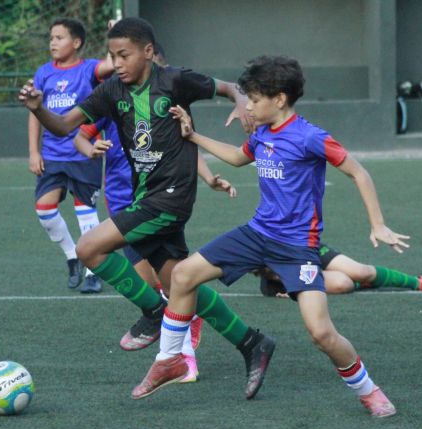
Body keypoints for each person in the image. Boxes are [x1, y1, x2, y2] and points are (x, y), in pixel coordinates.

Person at [133, 55, 409, 418]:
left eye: (255, 99)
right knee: (184, 275)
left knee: (321, 334)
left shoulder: (311, 137)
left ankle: (369, 391)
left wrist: (377, 224)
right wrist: (193, 135)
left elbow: (359, 173)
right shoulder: (261, 133)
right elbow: (236, 157)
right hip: (257, 234)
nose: (248, 105)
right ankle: (170, 360)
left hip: (297, 249)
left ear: (279, 99)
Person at [19, 17, 256, 382]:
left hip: (169, 200)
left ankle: (155, 313)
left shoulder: (175, 81)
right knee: (181, 281)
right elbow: (66, 126)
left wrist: (241, 103)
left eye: (124, 55)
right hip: (144, 195)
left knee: (88, 248)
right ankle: (252, 342)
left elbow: (229, 87)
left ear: (147, 52)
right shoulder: (112, 91)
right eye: (112, 56)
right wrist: (38, 108)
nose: (116, 63)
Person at [74, 116, 233, 382]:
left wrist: (207, 177)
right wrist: (89, 148)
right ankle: (190, 315)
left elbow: (186, 144)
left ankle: (185, 360)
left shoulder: (160, 101)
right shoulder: (109, 99)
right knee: (152, 288)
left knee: (171, 287)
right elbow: (80, 135)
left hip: (157, 204)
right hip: (122, 206)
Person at [28, 18, 114, 293]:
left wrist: (114, 32)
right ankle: (72, 255)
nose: (53, 42)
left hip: (83, 154)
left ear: (76, 43)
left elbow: (113, 64)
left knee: (85, 213)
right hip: (52, 155)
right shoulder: (43, 73)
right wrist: (34, 151)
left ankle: (92, 271)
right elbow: (35, 114)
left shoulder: (89, 69)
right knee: (44, 210)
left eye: (59, 37)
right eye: (51, 37)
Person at [257, 243, 422, 297]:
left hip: (307, 248)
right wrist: (290, 284)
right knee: (344, 283)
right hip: (294, 272)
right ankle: (361, 284)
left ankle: (416, 282)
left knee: (362, 271)